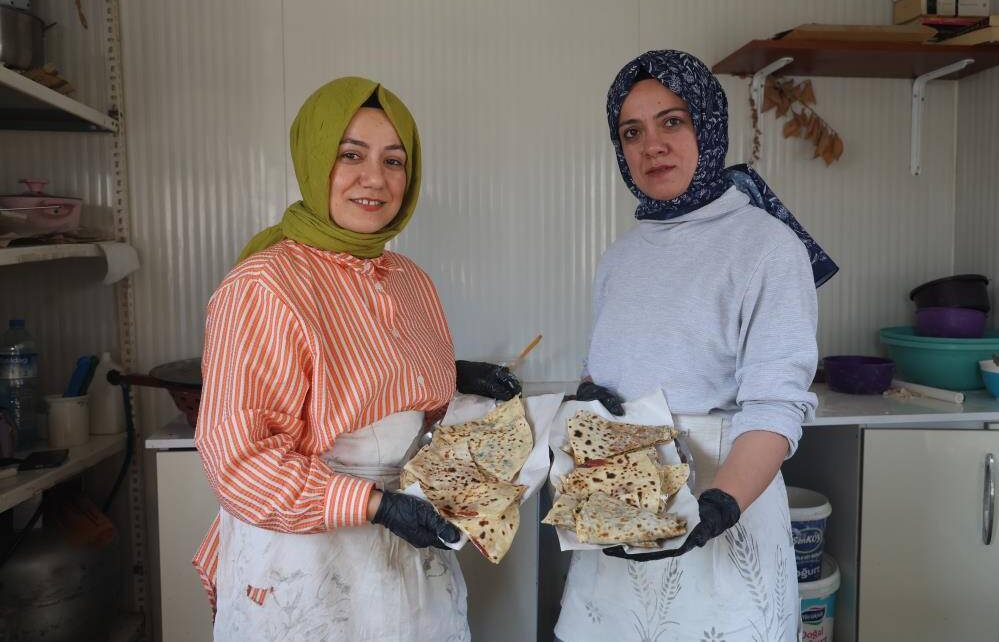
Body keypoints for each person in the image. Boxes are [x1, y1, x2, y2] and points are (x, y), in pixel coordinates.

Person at [191, 76, 520, 641]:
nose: (376, 179)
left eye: (394, 160)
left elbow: (385, 392)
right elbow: (239, 462)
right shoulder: (264, 285)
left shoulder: (410, 281)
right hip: (307, 562)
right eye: (351, 155)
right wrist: (375, 506)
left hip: (410, 549)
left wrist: (452, 375)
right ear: (315, 158)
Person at [556, 50, 838, 642]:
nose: (651, 144)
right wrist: (593, 397)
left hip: (721, 521)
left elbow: (775, 408)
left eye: (672, 121)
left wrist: (716, 508)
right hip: (619, 523)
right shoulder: (621, 256)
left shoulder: (766, 247)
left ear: (707, 126)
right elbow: (612, 371)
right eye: (632, 131)